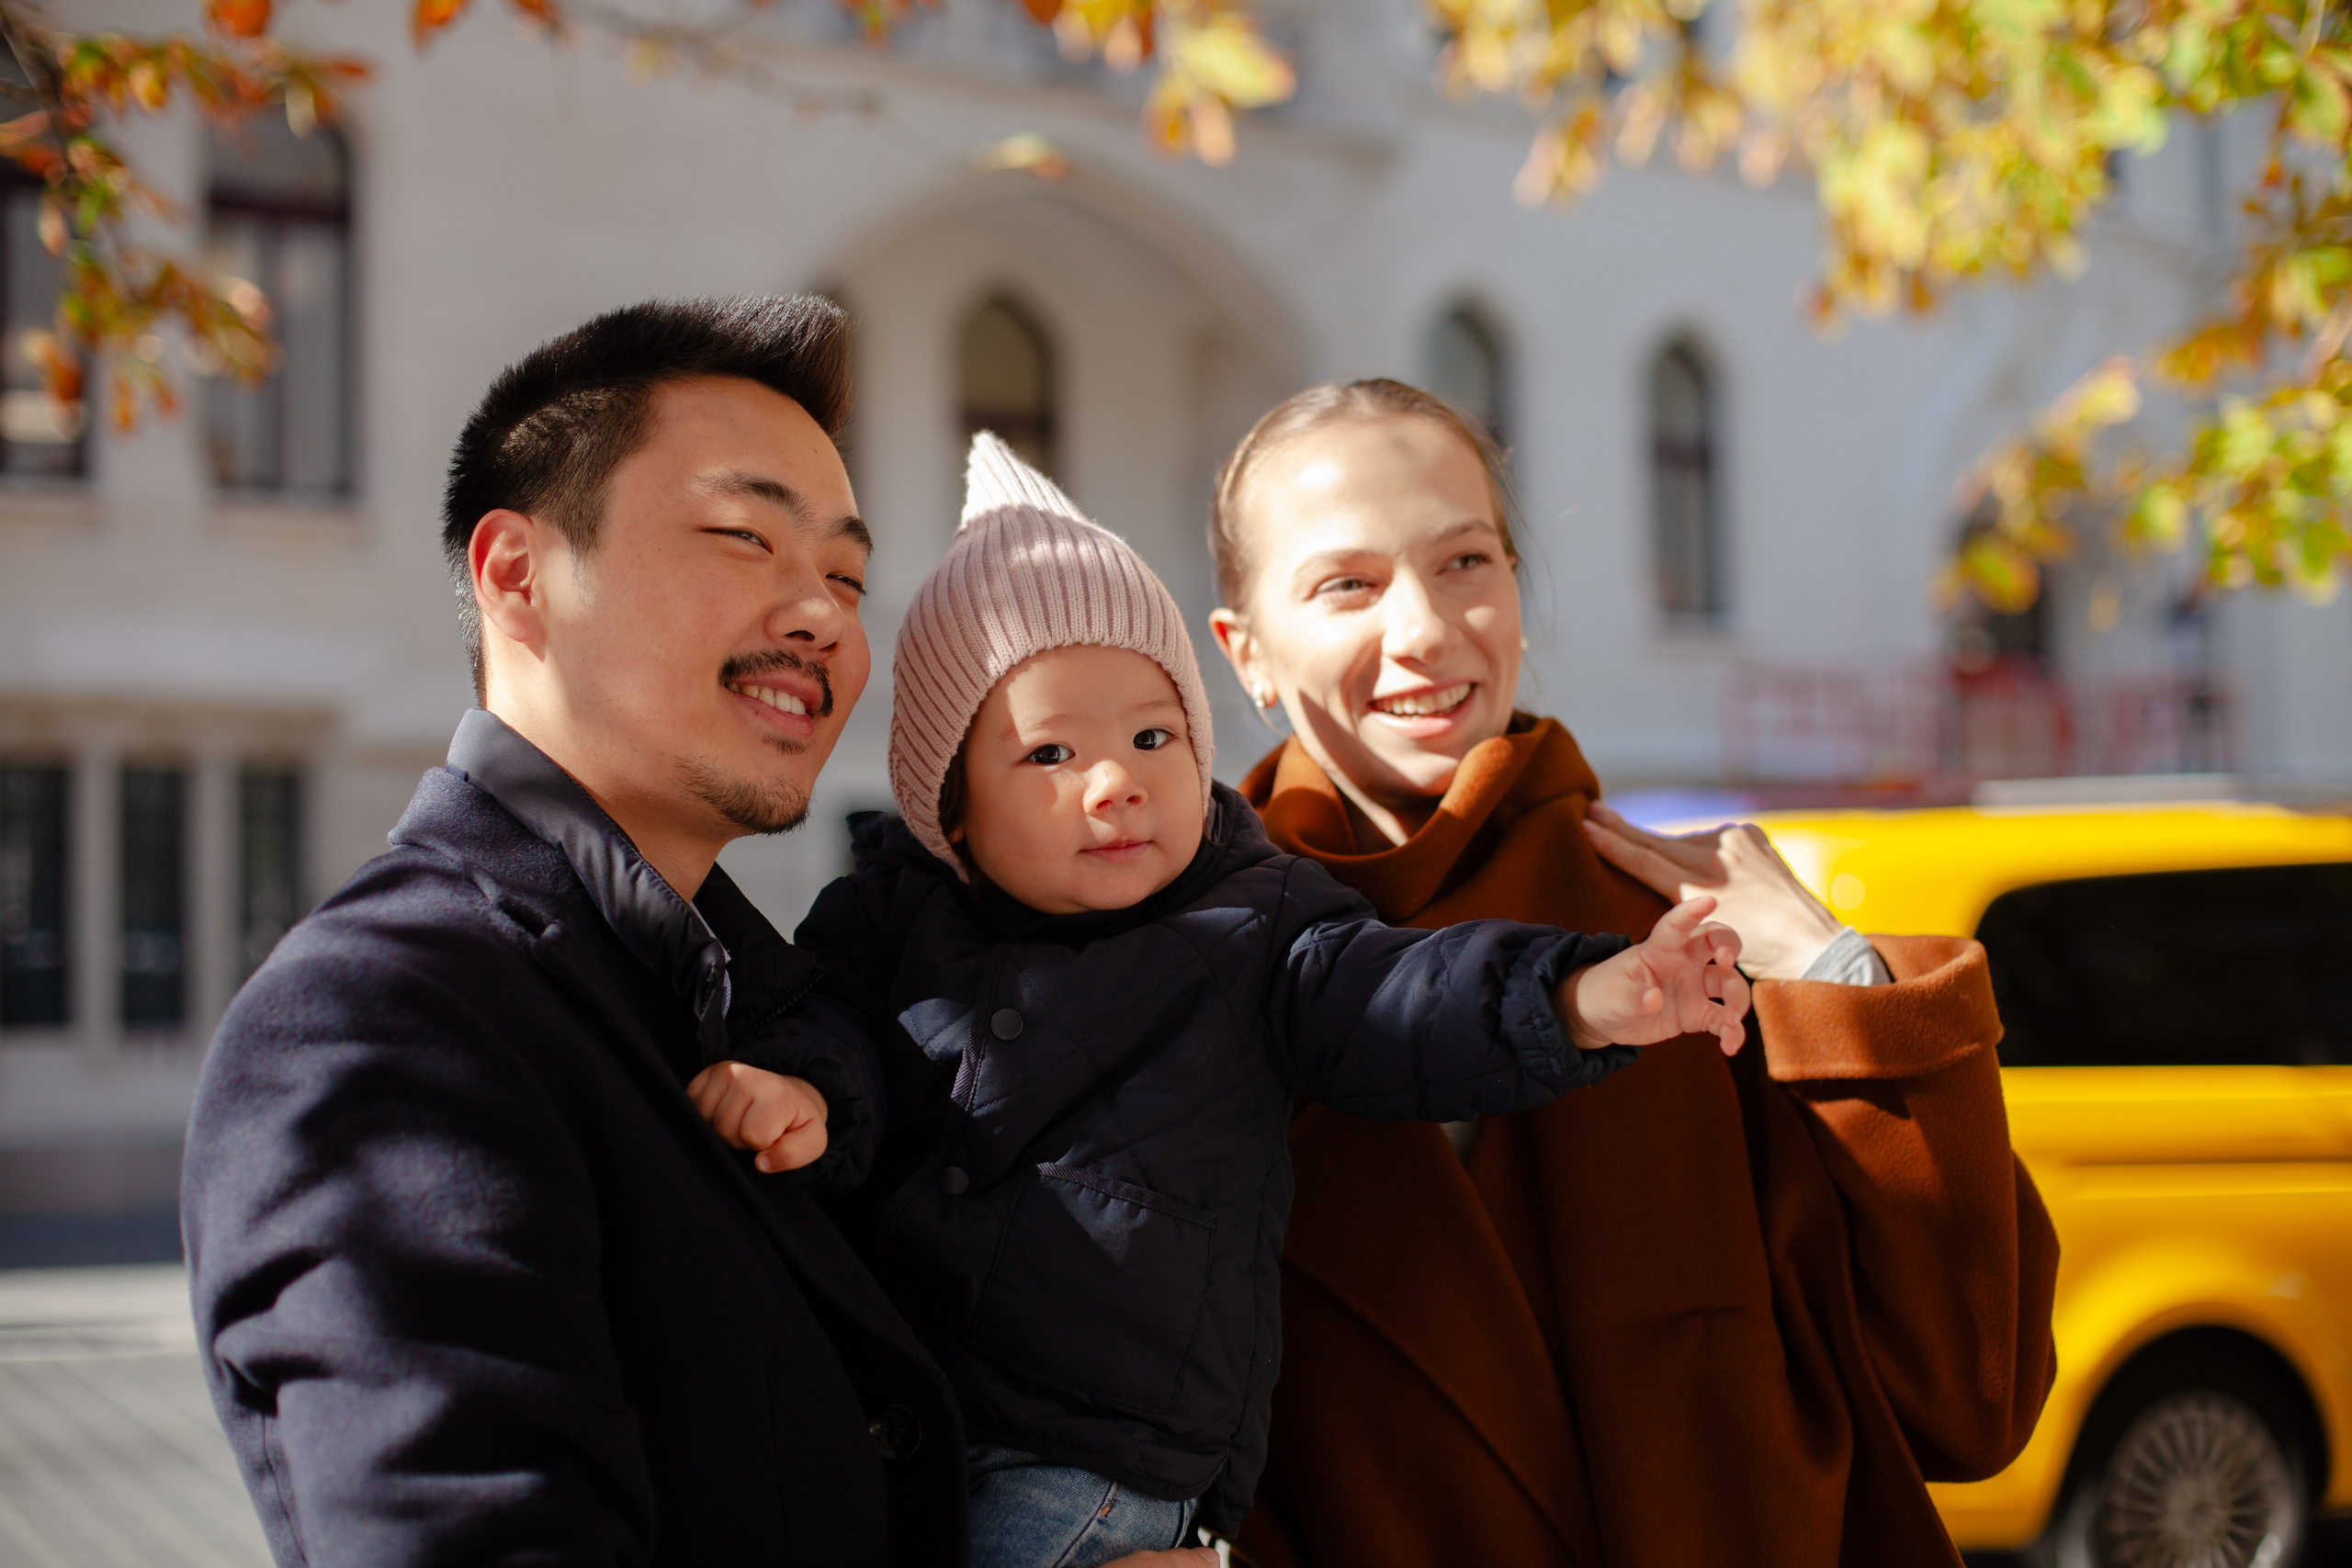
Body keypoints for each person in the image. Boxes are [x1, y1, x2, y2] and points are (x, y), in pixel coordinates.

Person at [180, 299, 1212, 1568]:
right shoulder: (382, 1020)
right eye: (744, 537)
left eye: (845, 574)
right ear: (519, 576)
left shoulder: (772, 1004)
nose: (825, 615)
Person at [683, 433, 1753, 1568]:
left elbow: (1401, 998)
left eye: (1154, 737)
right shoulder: (888, 924)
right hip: (908, 1423)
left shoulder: (1255, 921)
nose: (1116, 779)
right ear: (949, 806)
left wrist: (1584, 992)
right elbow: (829, 1026)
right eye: (1049, 754)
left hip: (1100, 1467)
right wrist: (800, 1090)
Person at [1203, 379, 2063, 1568]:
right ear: (1246, 651)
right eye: (1347, 583)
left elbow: (1970, 1395)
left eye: (1465, 561)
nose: (1426, 630)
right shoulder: (1186, 990)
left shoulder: (1688, 925)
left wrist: (1835, 973)